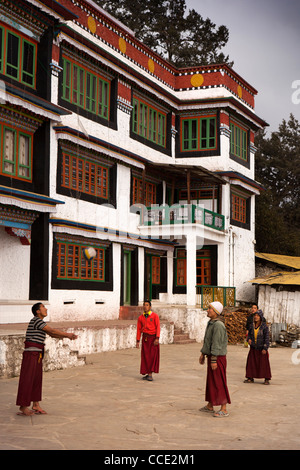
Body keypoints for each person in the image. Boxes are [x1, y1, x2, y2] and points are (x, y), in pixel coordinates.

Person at [16, 302, 78, 416]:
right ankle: (23, 406)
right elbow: (53, 331)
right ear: (37, 311)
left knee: (36, 379)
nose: (46, 309)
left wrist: (67, 337)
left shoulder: (40, 323)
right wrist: (67, 334)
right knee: (28, 379)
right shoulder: (36, 320)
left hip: (38, 353)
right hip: (31, 354)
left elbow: (53, 334)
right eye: (43, 307)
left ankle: (35, 404)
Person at [199, 301, 231, 417]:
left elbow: (216, 343)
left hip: (218, 358)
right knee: (211, 382)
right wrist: (203, 354)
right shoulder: (211, 323)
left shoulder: (218, 325)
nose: (207, 310)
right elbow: (208, 340)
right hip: (212, 356)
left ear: (216, 312)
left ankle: (224, 408)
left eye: (210, 309)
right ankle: (210, 405)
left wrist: (214, 360)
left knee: (219, 382)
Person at [244, 310, 272, 385]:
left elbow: (266, 338)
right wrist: (249, 339)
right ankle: (250, 377)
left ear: (261, 317)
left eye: (258, 316)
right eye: (255, 316)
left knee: (264, 364)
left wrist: (265, 348)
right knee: (251, 363)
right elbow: (249, 335)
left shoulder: (264, 327)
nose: (256, 317)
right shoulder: (251, 326)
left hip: (261, 348)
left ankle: (266, 379)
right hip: (253, 347)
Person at [136, 300, 160, 381]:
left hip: (153, 338)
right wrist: (138, 341)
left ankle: (150, 374)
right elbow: (139, 330)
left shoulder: (155, 316)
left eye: (147, 305)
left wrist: (157, 338)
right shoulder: (140, 318)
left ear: (150, 307)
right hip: (145, 338)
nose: (145, 306)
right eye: (144, 305)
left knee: (152, 356)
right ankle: (147, 373)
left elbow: (158, 327)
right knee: (145, 356)